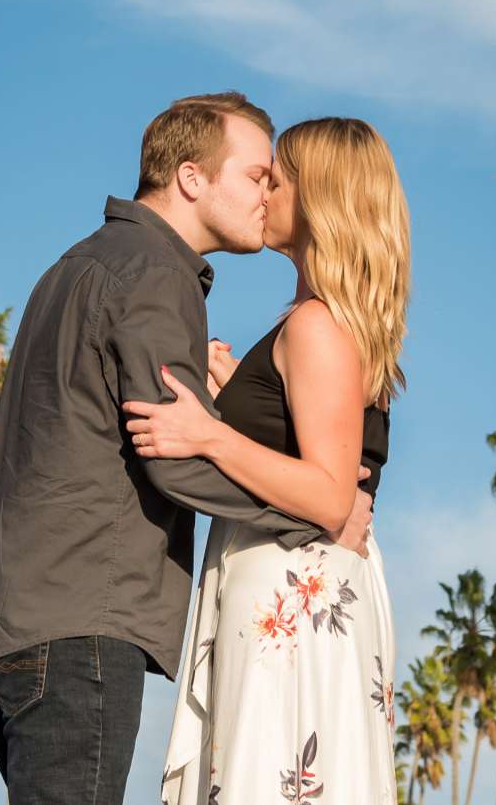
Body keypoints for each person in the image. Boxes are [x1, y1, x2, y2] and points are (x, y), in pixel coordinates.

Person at [0, 93, 375, 805]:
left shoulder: (77, 265)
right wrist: (319, 514)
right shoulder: (154, 273)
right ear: (190, 177)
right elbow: (172, 451)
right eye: (255, 175)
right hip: (81, 619)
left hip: (14, 617)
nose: (267, 193)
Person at [126, 116, 409, 805]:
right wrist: (232, 403)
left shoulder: (316, 325)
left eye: (277, 178)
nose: (264, 190)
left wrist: (209, 434)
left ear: (318, 197)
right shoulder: (322, 320)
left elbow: (329, 495)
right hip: (300, 584)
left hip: (294, 588)